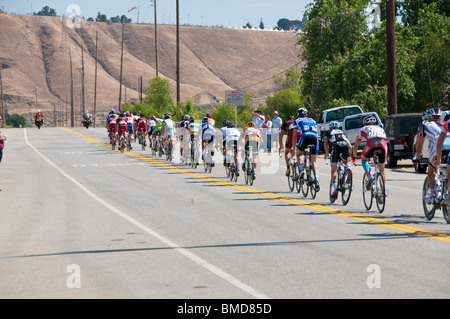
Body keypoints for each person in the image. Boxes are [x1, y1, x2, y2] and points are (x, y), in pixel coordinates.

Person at [415, 108, 445, 204]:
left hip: (438, 148)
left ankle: (432, 194)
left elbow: (419, 143)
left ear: (427, 118)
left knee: (431, 170)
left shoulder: (424, 124)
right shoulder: (446, 123)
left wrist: (418, 157)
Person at [352, 114, 387, 192]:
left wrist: (354, 155)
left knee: (363, 158)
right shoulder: (380, 128)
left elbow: (356, 145)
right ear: (374, 123)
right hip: (383, 145)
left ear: (364, 123)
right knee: (382, 170)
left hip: (372, 143)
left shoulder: (363, 129)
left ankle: (369, 174)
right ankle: (382, 191)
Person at [324, 120, 353, 199]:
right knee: (345, 161)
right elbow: (350, 146)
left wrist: (327, 153)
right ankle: (348, 169)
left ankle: (335, 188)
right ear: (338, 127)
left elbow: (325, 144)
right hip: (345, 146)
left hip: (336, 146)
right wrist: (350, 155)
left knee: (333, 169)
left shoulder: (327, 132)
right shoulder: (342, 132)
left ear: (330, 127)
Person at [292, 108, 320, 189]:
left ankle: (301, 169)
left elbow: (294, 136)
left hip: (305, 136)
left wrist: (294, 149)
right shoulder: (313, 120)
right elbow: (317, 133)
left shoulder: (297, 121)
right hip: (315, 137)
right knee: (314, 161)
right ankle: (317, 179)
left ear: (298, 115)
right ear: (306, 114)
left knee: (299, 154)